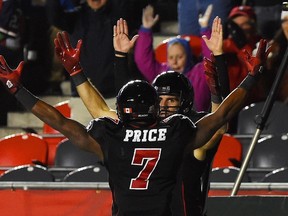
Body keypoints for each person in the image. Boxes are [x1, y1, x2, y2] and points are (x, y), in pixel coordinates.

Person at [0, 33, 270, 214]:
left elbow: (61, 122)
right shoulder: (176, 135)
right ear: (153, 107)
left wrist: (19, 90)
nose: (165, 106)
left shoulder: (115, 135)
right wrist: (251, 78)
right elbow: (221, 117)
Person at [53, 18, 254, 216]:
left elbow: (220, 120)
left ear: (184, 103)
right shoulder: (145, 126)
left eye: (171, 100)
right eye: (160, 100)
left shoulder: (188, 129)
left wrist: (219, 61)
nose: (164, 106)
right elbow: (107, 110)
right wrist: (119, 58)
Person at [134, 4, 212, 112]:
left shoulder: (199, 73)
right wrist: (146, 30)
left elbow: (211, 59)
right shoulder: (161, 73)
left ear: (188, 56)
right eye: (171, 57)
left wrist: (205, 30)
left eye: (179, 56)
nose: (175, 62)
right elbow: (142, 60)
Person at [46, 0, 130, 97]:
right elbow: (53, 15)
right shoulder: (75, 18)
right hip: (82, 96)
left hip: (113, 95)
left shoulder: (118, 16)